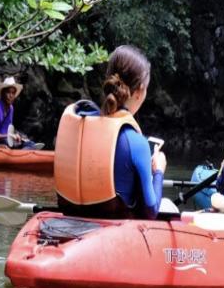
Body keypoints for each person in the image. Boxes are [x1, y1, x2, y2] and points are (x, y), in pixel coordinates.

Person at [54, 45, 167, 219]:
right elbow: (150, 211)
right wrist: (158, 171)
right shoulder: (137, 143)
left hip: (70, 218)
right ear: (139, 91)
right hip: (112, 228)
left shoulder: (81, 121)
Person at [0, 76, 37, 149]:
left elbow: (7, 131)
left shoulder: (11, 108)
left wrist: (17, 136)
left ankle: (22, 154)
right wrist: (9, 136)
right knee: (7, 142)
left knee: (30, 143)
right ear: (3, 93)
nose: (10, 96)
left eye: (13, 93)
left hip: (4, 140)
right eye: (8, 92)